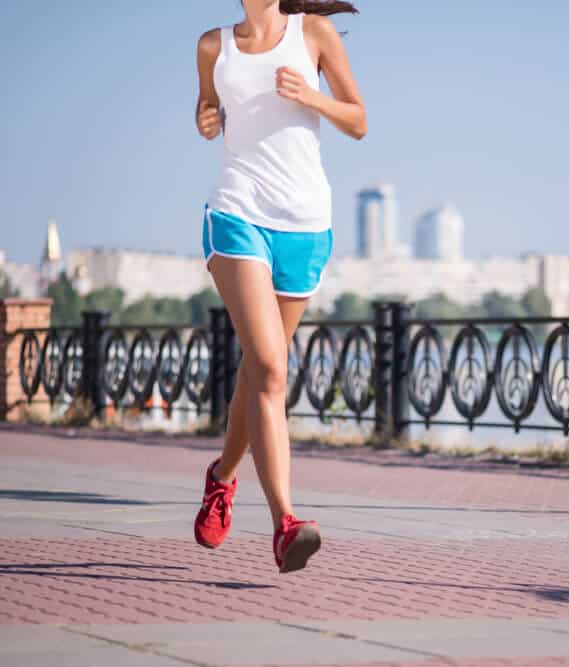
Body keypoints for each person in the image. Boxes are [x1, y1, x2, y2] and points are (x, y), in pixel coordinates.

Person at [192, 0, 366, 573]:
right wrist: (205, 117)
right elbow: (208, 110)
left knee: (259, 367)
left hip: (306, 224)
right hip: (238, 213)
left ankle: (221, 478)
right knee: (269, 366)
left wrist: (310, 95)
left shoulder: (312, 33)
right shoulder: (213, 46)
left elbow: (358, 120)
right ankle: (285, 523)